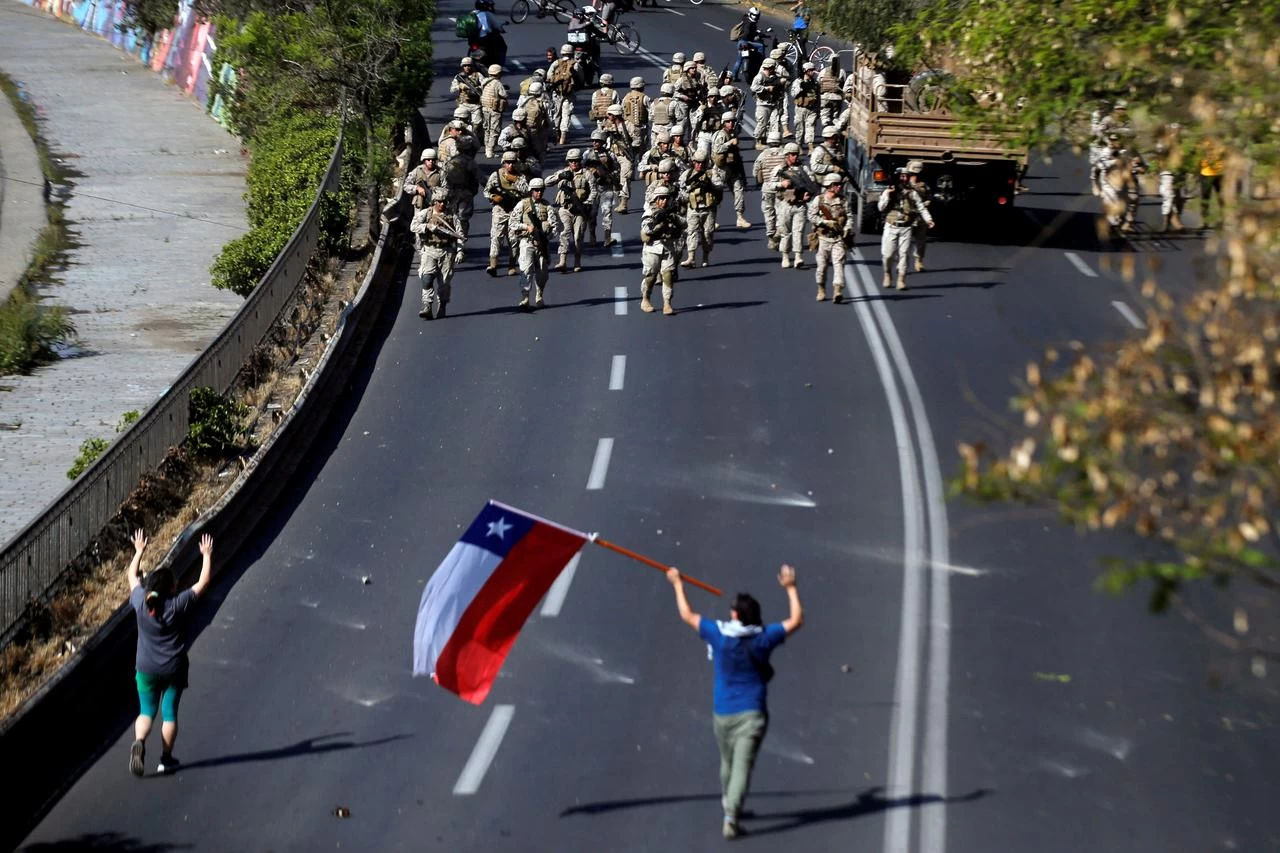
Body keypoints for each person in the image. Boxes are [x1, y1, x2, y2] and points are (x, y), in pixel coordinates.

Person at [666, 563, 803, 840]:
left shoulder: (719, 635)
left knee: (728, 763)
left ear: (737, 615)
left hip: (723, 713)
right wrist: (791, 588)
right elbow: (796, 619)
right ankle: (731, 814)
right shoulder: (764, 637)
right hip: (752, 714)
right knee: (741, 766)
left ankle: (730, 805)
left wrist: (678, 584)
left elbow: (687, 615)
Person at [128, 529, 214, 777]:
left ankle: (140, 742)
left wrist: (139, 552)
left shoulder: (141, 603)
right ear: (171, 588)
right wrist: (206, 555)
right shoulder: (177, 605)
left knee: (146, 712)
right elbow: (203, 583)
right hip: (173, 668)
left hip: (145, 668)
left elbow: (132, 577)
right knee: (169, 713)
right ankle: (165, 759)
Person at [878, 164, 934, 289]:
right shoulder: (889, 191)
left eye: (906, 176)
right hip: (891, 226)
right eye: (901, 176)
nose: (903, 178)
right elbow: (881, 208)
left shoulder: (912, 193)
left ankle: (901, 279)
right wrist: (887, 194)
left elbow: (921, 207)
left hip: (906, 227)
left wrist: (928, 219)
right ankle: (887, 274)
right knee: (887, 255)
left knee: (904, 254)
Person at [411, 188, 462, 319]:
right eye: (439, 201)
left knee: (444, 283)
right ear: (434, 201)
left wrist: (460, 250)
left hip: (447, 252)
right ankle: (427, 306)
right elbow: (413, 226)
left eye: (444, 201)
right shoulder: (426, 214)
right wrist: (426, 227)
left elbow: (460, 234)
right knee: (426, 279)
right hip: (429, 250)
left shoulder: (452, 216)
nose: (442, 204)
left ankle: (442, 306)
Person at [509, 178, 557, 309]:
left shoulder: (547, 206)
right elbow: (512, 223)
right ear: (531, 191)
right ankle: (525, 298)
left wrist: (547, 235)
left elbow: (555, 226)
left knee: (542, 272)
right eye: (536, 190)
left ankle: (539, 295)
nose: (539, 193)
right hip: (527, 242)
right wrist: (526, 227)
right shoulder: (522, 204)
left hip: (542, 244)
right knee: (526, 270)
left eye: (541, 190)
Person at [547, 148, 596, 271]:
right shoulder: (563, 172)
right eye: (571, 161)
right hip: (565, 209)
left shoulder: (587, 174)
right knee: (565, 232)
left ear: (580, 161)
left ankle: (577, 262)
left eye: (576, 161)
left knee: (578, 237)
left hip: (580, 210)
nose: (574, 163)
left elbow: (594, 191)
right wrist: (560, 176)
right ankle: (562, 261)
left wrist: (588, 203)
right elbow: (547, 182)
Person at [808, 173, 853, 302]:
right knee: (821, 267)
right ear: (830, 186)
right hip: (823, 239)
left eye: (840, 185)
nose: (839, 187)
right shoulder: (819, 200)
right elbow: (811, 216)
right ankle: (821, 289)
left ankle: (837, 291)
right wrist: (825, 222)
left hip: (838, 239)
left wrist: (847, 228)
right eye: (837, 185)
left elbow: (849, 216)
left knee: (839, 264)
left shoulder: (843, 201)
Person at [639, 185, 682, 315]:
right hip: (653, 248)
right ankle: (645, 299)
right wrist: (659, 224)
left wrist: (674, 218)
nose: (664, 201)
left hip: (668, 247)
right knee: (651, 277)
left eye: (666, 198)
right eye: (661, 198)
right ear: (656, 199)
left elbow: (684, 224)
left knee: (668, 275)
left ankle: (667, 303)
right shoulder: (649, 213)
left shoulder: (671, 213)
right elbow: (646, 231)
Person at [485, 152, 529, 277]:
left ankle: (512, 265)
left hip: (515, 211)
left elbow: (526, 191)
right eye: (507, 162)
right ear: (503, 163)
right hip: (500, 210)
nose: (510, 165)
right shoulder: (496, 175)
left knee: (514, 239)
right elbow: (487, 191)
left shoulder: (520, 177)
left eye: (513, 163)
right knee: (496, 237)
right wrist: (494, 197)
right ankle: (493, 265)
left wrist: (515, 181)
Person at [679, 149, 723, 268]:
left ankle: (705, 256)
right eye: (697, 162)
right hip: (693, 208)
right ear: (693, 162)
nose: (699, 165)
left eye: (702, 162)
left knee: (708, 233)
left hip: (708, 209)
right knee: (691, 231)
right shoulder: (687, 174)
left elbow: (719, 185)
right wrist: (690, 190)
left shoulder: (711, 173)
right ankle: (691, 258)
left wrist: (709, 184)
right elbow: (681, 191)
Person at [753, 131, 786, 249]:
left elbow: (755, 170)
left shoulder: (763, 154)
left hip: (767, 187)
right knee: (780, 212)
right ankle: (778, 233)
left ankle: (771, 237)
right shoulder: (784, 153)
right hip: (781, 187)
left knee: (768, 212)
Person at [480, 65, 509, 159]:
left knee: (487, 129)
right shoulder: (497, 83)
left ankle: (486, 149)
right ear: (497, 73)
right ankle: (490, 150)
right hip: (494, 110)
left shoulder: (484, 82)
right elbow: (504, 95)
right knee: (495, 130)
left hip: (485, 109)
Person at [730, 7, 765, 83]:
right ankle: (761, 61)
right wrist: (756, 34)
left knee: (739, 61)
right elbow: (748, 33)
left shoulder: (745, 19)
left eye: (756, 15)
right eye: (754, 15)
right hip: (745, 42)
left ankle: (734, 76)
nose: (755, 17)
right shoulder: (750, 24)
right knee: (761, 46)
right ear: (751, 14)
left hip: (741, 43)